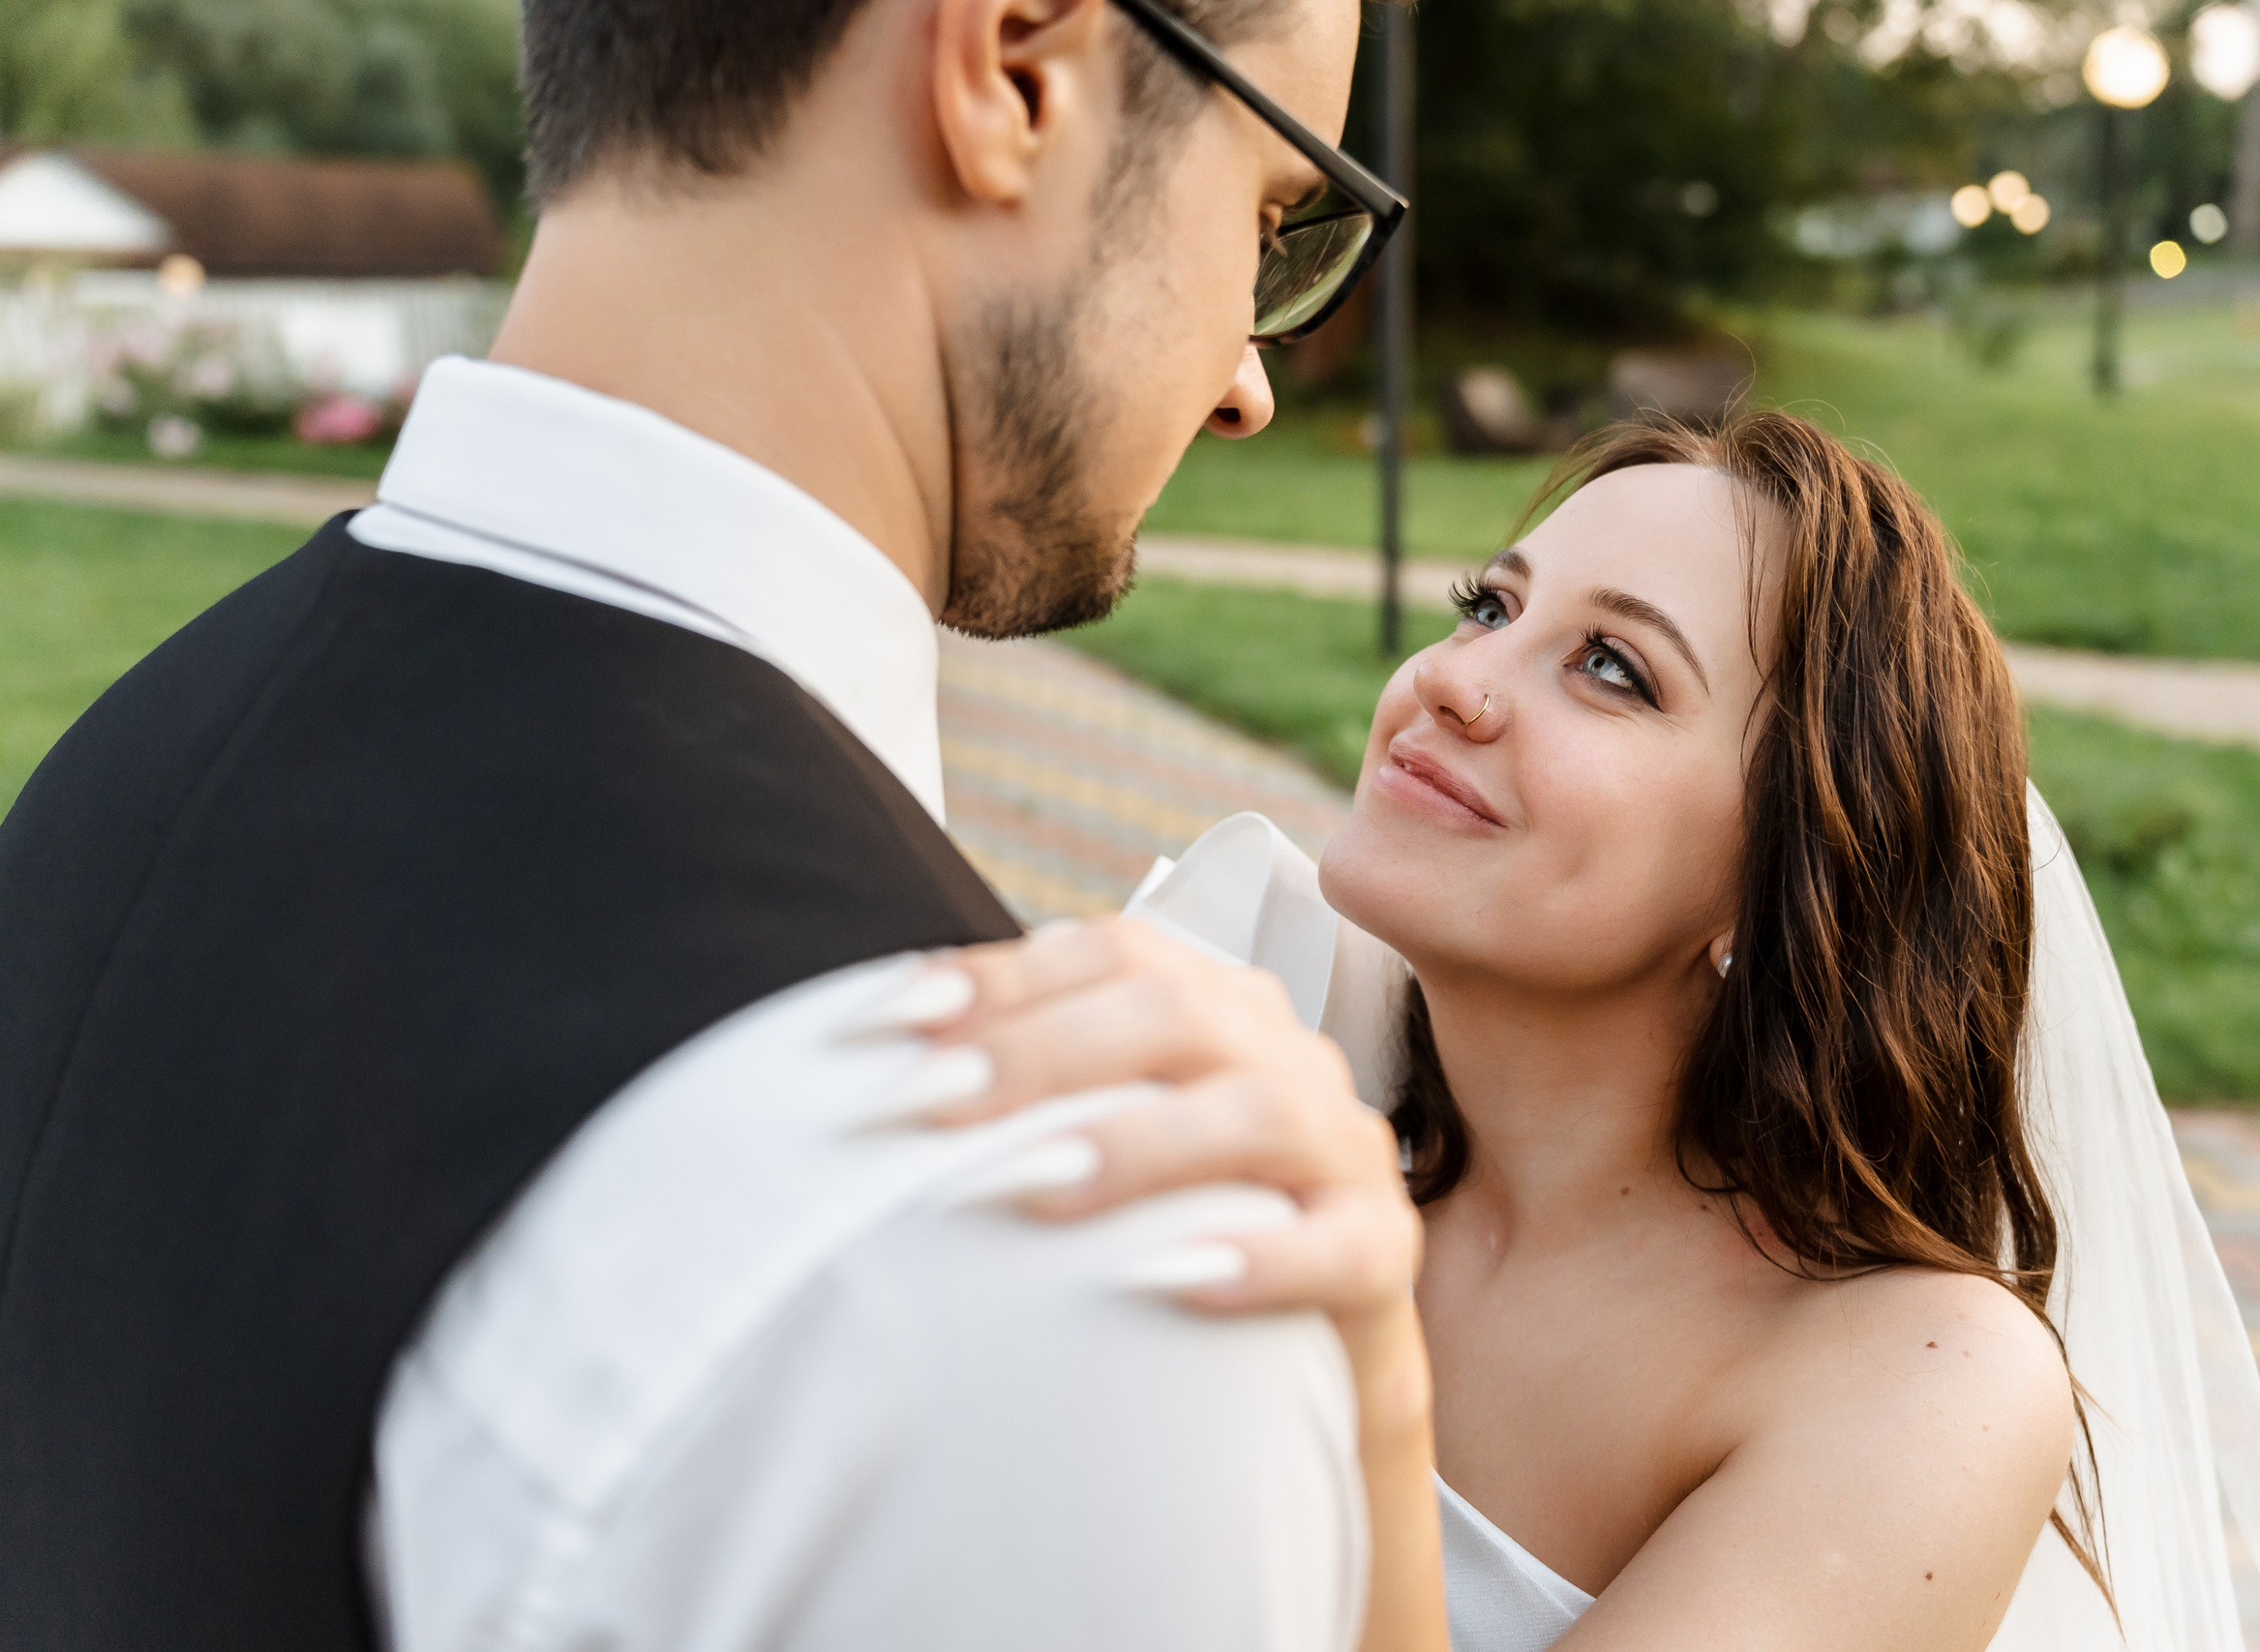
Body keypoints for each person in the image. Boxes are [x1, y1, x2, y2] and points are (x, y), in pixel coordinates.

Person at [0, 0, 1434, 1647]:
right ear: (1011, 67)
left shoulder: (116, 774)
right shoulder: (1041, 1253)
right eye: (1270, 211)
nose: (1248, 379)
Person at [1083, 410, 2260, 1650]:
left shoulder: (1914, 1383)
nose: (1451, 680)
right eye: (1489, 608)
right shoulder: (1263, 1030)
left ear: (1782, 876)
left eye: (1611, 668)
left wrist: (1350, 1366)